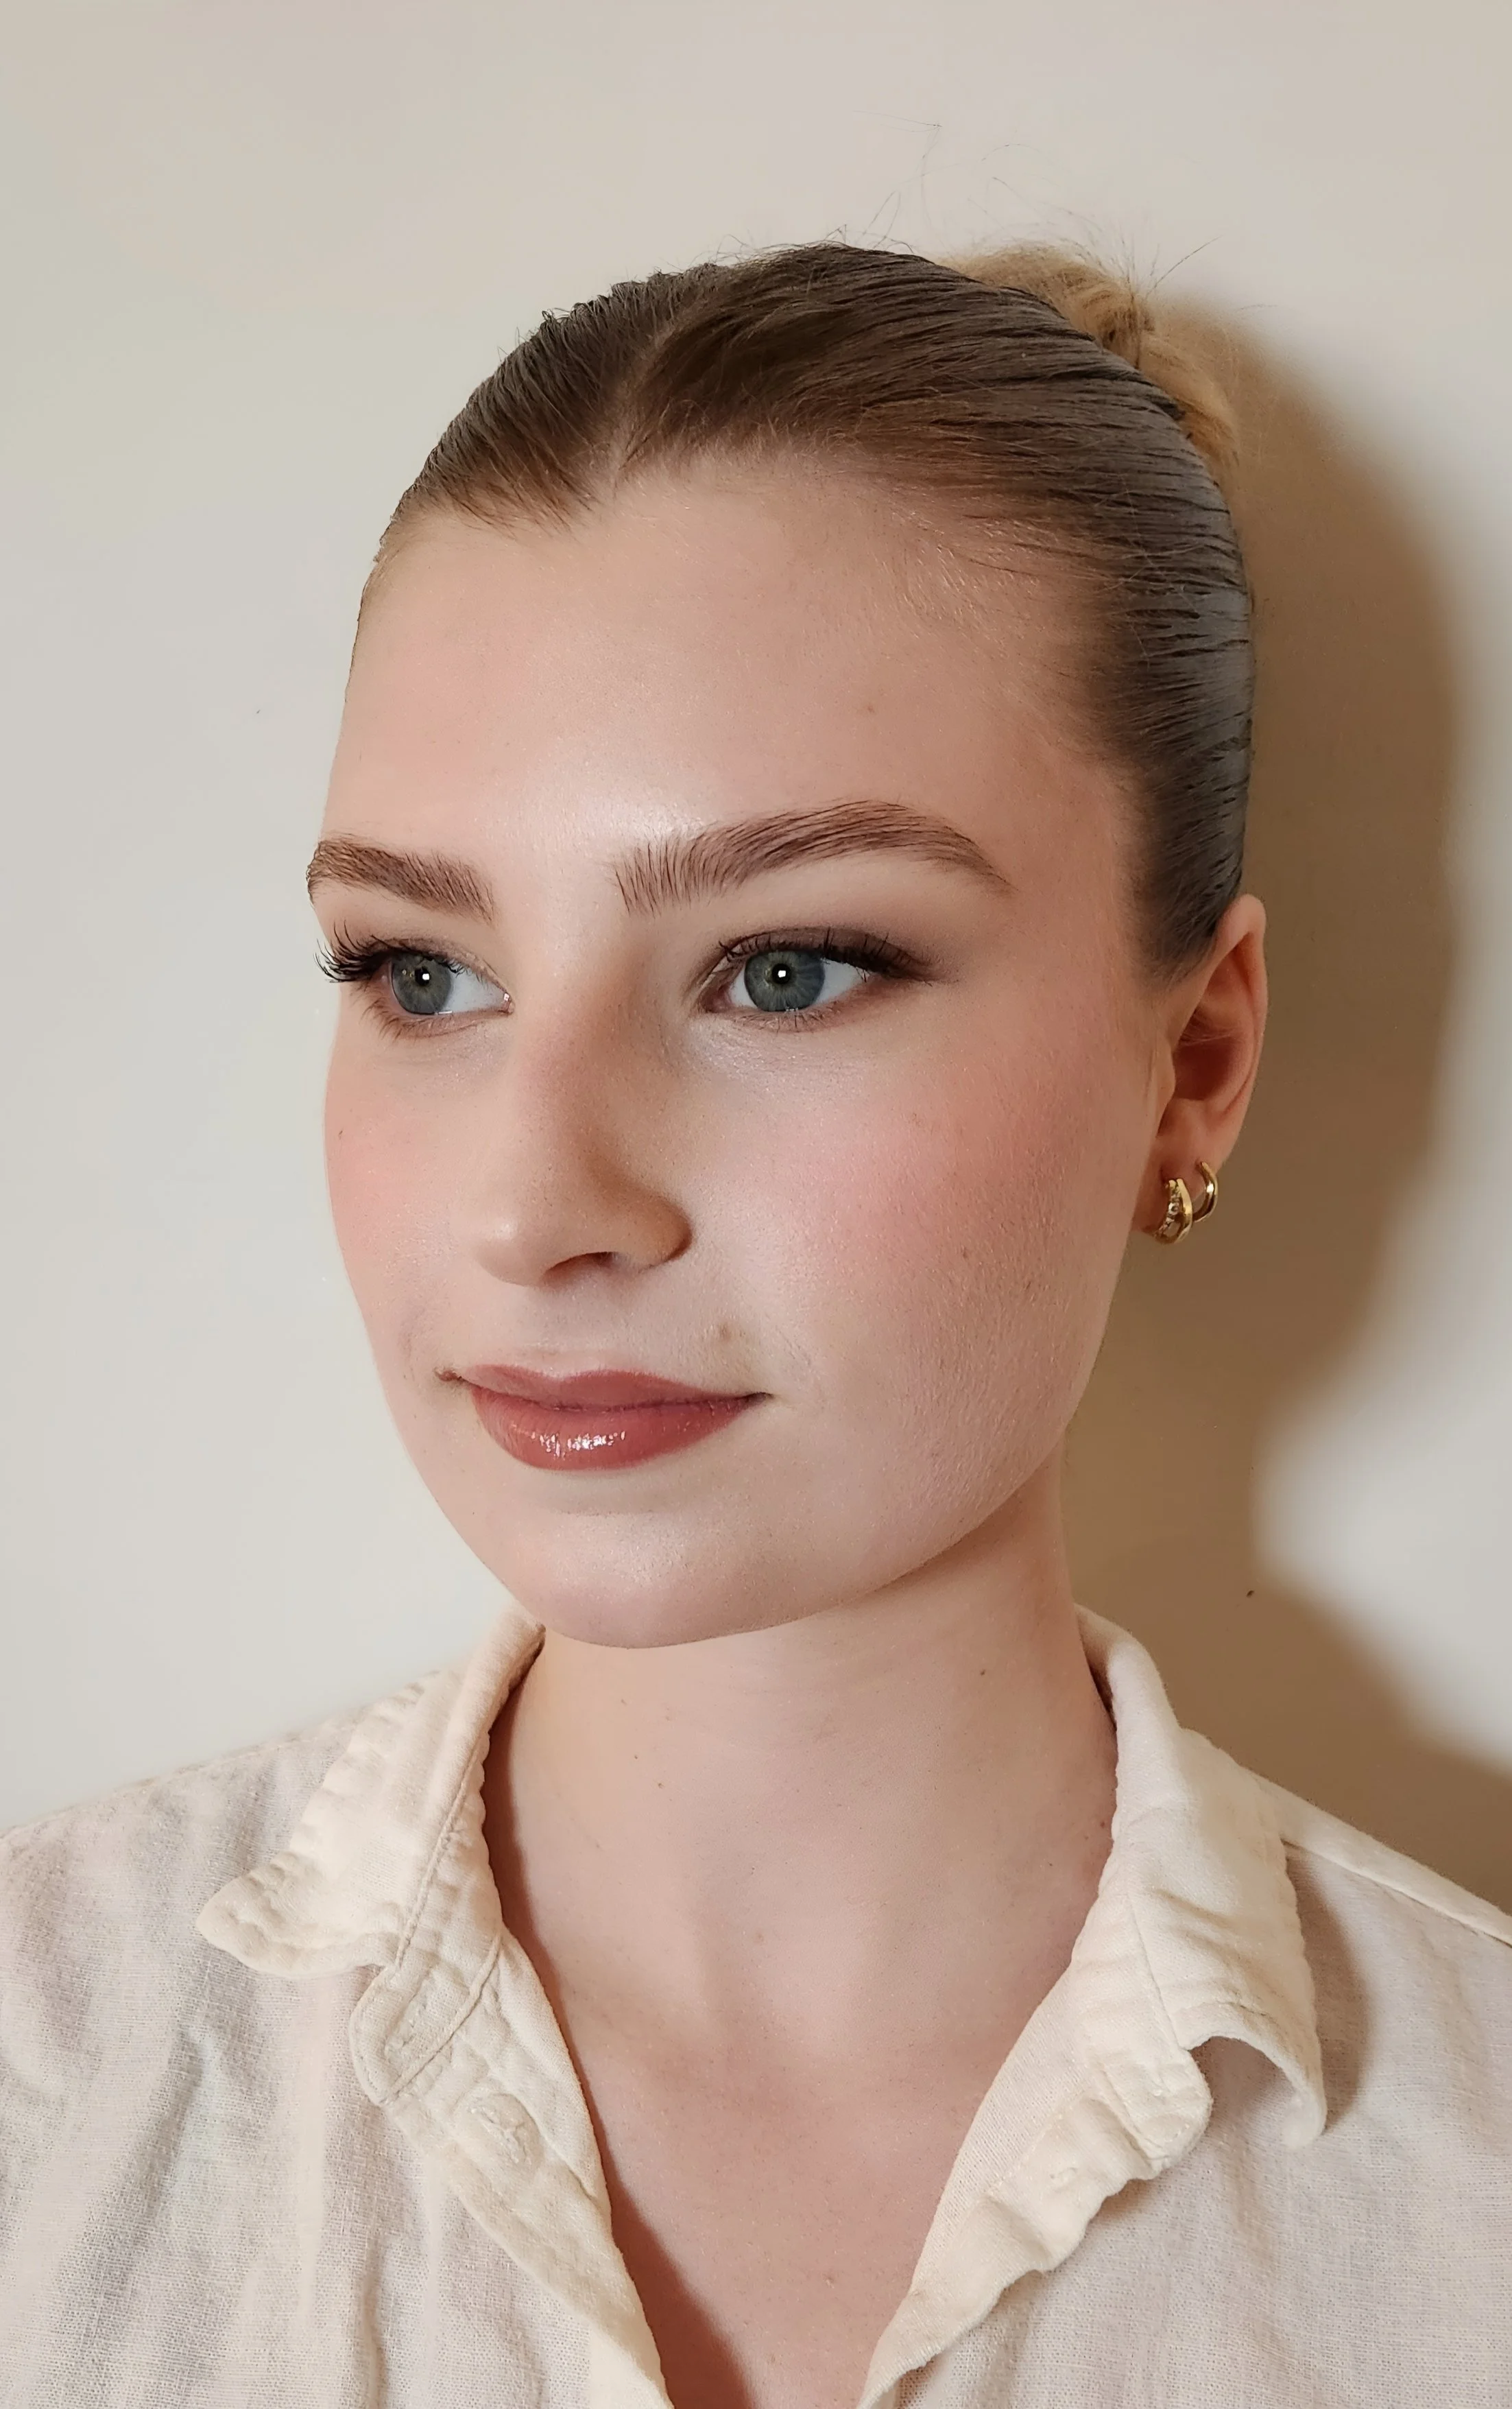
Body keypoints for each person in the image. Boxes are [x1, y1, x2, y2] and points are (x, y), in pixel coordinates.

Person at [1, 237, 1509, 2409]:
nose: (533, 1207)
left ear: (1194, 1057)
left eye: (788, 967)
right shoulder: (48, 2091)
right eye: (419, 973)